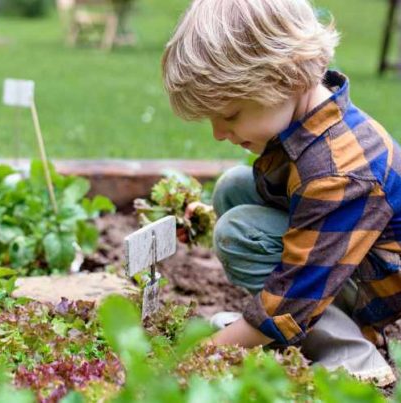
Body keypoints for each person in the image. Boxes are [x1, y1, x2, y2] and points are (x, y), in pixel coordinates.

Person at [162, 0, 401, 386]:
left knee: (238, 232)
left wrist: (203, 357)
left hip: (371, 285)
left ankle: (352, 352)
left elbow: (300, 288)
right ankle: (293, 331)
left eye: (230, 115)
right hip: (347, 262)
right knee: (233, 189)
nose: (218, 134)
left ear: (285, 79)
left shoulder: (338, 172)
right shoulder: (308, 119)